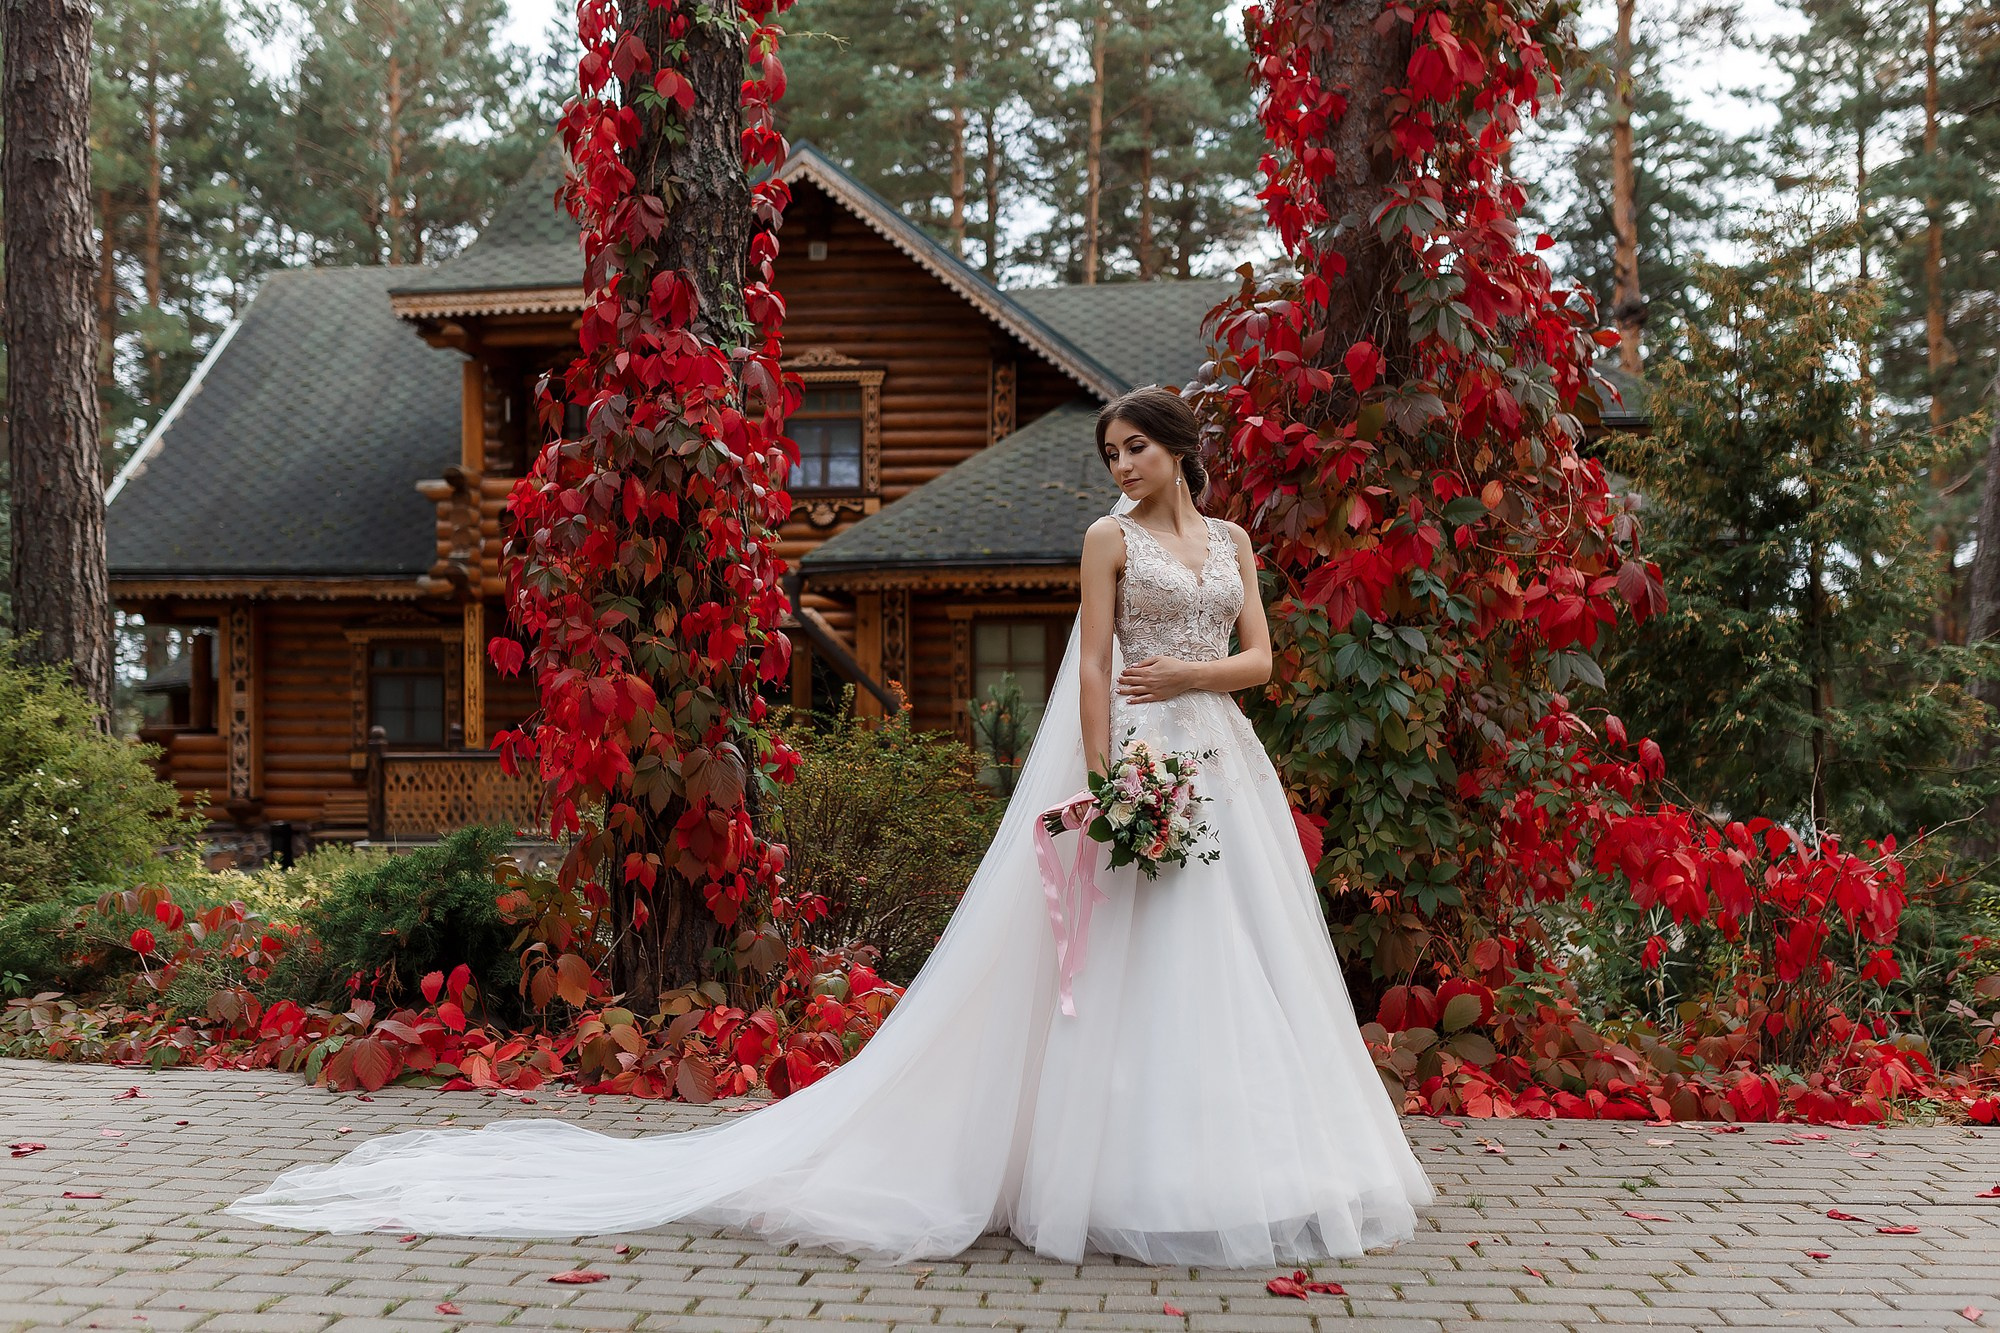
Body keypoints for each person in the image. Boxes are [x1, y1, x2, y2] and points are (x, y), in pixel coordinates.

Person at [227, 385, 1435, 1267]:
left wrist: (1189, 681)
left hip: (1219, 760)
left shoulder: (1229, 545)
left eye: (1135, 447)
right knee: (1123, 961)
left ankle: (1229, 1163)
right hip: (1134, 758)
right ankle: (1107, 1175)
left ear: (1178, 451)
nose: (1119, 465)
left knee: (1229, 958)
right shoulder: (1103, 540)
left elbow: (1260, 660)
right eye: (1109, 451)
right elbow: (1087, 667)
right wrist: (1105, 774)